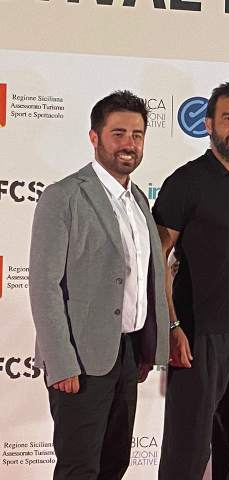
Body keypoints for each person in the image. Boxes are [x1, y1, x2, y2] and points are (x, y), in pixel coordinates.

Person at [28, 90, 169, 480]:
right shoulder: (64, 196)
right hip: (79, 359)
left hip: (127, 353)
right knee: (79, 468)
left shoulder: (138, 199)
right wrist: (60, 362)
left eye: (137, 135)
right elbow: (44, 285)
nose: (129, 144)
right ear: (95, 137)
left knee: (114, 464)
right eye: (118, 133)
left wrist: (149, 346)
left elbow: (145, 277)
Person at [154, 82, 229, 480]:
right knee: (186, 454)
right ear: (208, 125)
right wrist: (172, 326)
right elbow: (157, 258)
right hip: (198, 336)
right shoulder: (186, 181)